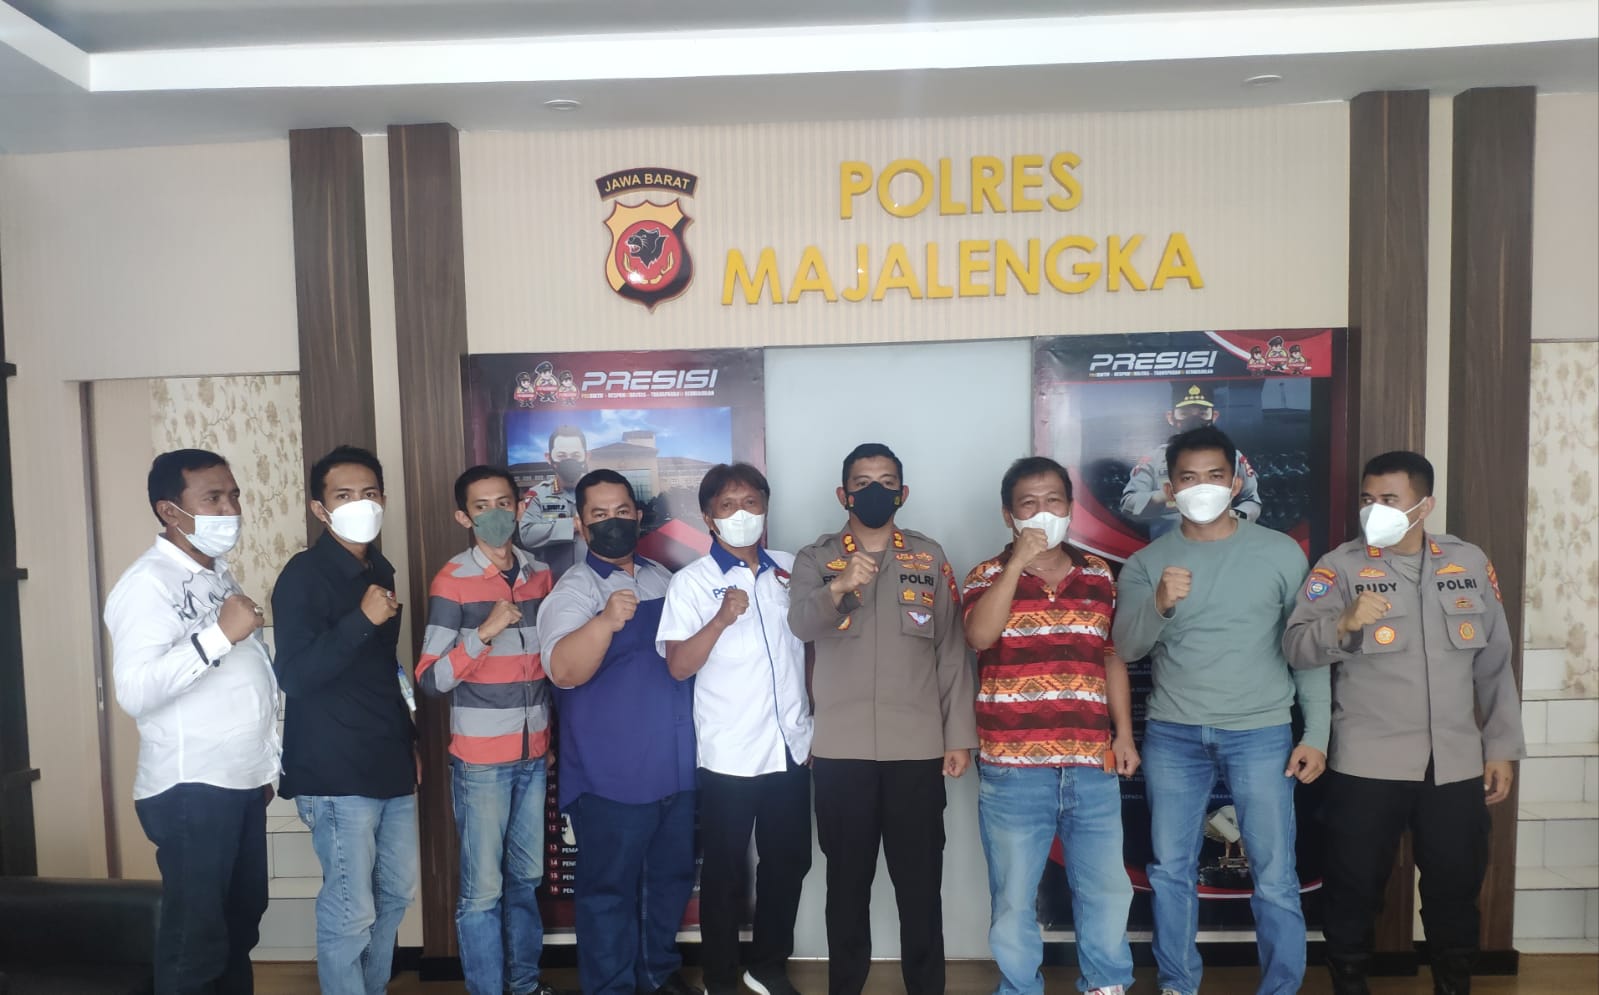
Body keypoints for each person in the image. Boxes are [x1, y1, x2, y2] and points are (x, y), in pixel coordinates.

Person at [1282, 451, 1524, 995]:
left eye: (1389, 500)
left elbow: (1495, 663)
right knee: (1353, 889)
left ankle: (1453, 985)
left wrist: (1500, 747)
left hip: (1455, 762)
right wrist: (1342, 625)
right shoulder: (1339, 566)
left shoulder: (1467, 562)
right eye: (1367, 499)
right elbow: (1295, 647)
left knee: (1455, 889)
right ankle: (1349, 985)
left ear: (1424, 505)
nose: (1375, 510)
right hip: (1368, 760)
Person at [1111, 426, 1329, 995]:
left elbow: (1305, 651)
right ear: (1169, 488)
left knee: (1275, 873)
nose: (1202, 487)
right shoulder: (1148, 563)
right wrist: (1159, 603)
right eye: (1188, 478)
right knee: (1170, 870)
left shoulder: (1280, 552)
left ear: (1235, 483)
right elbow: (1125, 647)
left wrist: (1318, 734)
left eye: (1214, 475)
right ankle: (1178, 984)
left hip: (1261, 730)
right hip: (1174, 734)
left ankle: (1281, 988)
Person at [788, 442, 978, 995]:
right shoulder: (816, 558)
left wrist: (958, 736)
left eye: (887, 482)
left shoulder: (928, 556)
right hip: (841, 751)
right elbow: (800, 625)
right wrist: (840, 587)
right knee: (846, 886)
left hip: (916, 748)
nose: (875, 491)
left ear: (903, 493)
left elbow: (950, 650)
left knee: (920, 886)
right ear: (843, 494)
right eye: (862, 482)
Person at [962, 456, 1138, 995]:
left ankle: (1106, 985)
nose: (1043, 512)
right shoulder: (985, 576)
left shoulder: (1099, 575)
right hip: (1014, 769)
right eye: (1029, 504)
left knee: (1106, 889)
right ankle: (1020, 988)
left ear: (1070, 507)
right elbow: (979, 638)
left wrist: (1124, 734)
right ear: (1009, 515)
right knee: (1015, 896)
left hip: (1091, 762)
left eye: (1053, 501)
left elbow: (1110, 657)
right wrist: (1017, 563)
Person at [104, 449, 278, 994]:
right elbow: (135, 690)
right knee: (196, 940)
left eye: (234, 495)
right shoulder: (147, 583)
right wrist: (218, 636)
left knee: (239, 923)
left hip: (238, 780)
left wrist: (263, 767)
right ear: (170, 511)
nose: (231, 509)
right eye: (213, 498)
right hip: (191, 786)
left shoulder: (216, 573)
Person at [538, 469, 698, 995]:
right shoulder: (574, 591)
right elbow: (563, 671)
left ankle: (657, 974)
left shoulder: (663, 579)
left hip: (674, 765)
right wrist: (604, 622)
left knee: (667, 881)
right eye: (600, 514)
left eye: (622, 511)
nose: (614, 522)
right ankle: (610, 986)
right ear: (582, 525)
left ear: (639, 515)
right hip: (611, 774)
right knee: (608, 891)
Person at [656, 463, 813, 995]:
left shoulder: (791, 569)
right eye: (727, 505)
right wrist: (721, 619)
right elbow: (679, 666)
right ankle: (721, 977)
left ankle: (767, 966)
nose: (741, 514)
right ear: (708, 518)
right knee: (724, 871)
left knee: (788, 861)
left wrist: (812, 720)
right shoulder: (692, 582)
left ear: (766, 507)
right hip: (730, 752)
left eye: (750, 502)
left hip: (791, 746)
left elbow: (812, 646)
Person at [272, 444, 417, 995]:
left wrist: (410, 743)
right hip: (334, 769)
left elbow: (385, 670)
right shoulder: (304, 575)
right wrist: (361, 619)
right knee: (351, 907)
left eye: (369, 493)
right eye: (344, 495)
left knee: (395, 893)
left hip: (388, 759)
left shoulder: (380, 568)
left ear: (384, 499)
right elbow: (295, 675)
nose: (360, 503)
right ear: (320, 508)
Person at [415, 465, 559, 995]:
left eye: (503, 503)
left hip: (533, 757)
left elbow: (547, 666)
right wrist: (485, 632)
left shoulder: (539, 574)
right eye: (481, 506)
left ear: (519, 508)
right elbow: (431, 679)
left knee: (526, 881)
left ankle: (524, 985)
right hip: (480, 763)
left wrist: (546, 741)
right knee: (482, 892)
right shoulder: (452, 580)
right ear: (464, 517)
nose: (495, 514)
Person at [1120, 383, 1261, 538]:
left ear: (1214, 416)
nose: (1194, 419)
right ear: (1171, 417)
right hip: (1169, 545)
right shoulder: (1154, 459)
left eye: (1202, 413)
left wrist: (1236, 515)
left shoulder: (1232, 456)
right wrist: (1162, 496)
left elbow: (1252, 501)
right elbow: (1128, 504)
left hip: (1223, 544)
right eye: (1185, 413)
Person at [518, 424, 589, 574]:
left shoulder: (599, 492)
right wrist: (572, 525)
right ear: (549, 458)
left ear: (586, 456)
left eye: (576, 455)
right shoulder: (537, 495)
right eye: (561, 456)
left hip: (596, 578)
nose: (569, 461)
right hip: (553, 579)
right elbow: (527, 535)